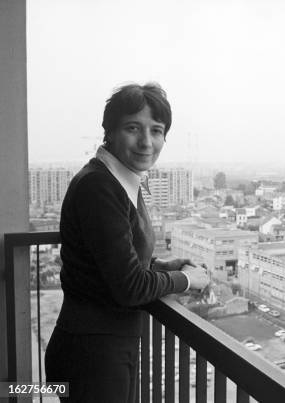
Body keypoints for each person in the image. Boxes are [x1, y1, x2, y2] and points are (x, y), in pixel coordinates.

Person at [45, 82, 209, 402]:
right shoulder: (100, 187)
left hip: (101, 349)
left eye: (157, 130)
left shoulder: (122, 180)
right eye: (133, 128)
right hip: (92, 356)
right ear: (109, 131)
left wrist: (161, 265)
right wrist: (187, 279)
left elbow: (111, 260)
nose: (147, 142)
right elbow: (129, 286)